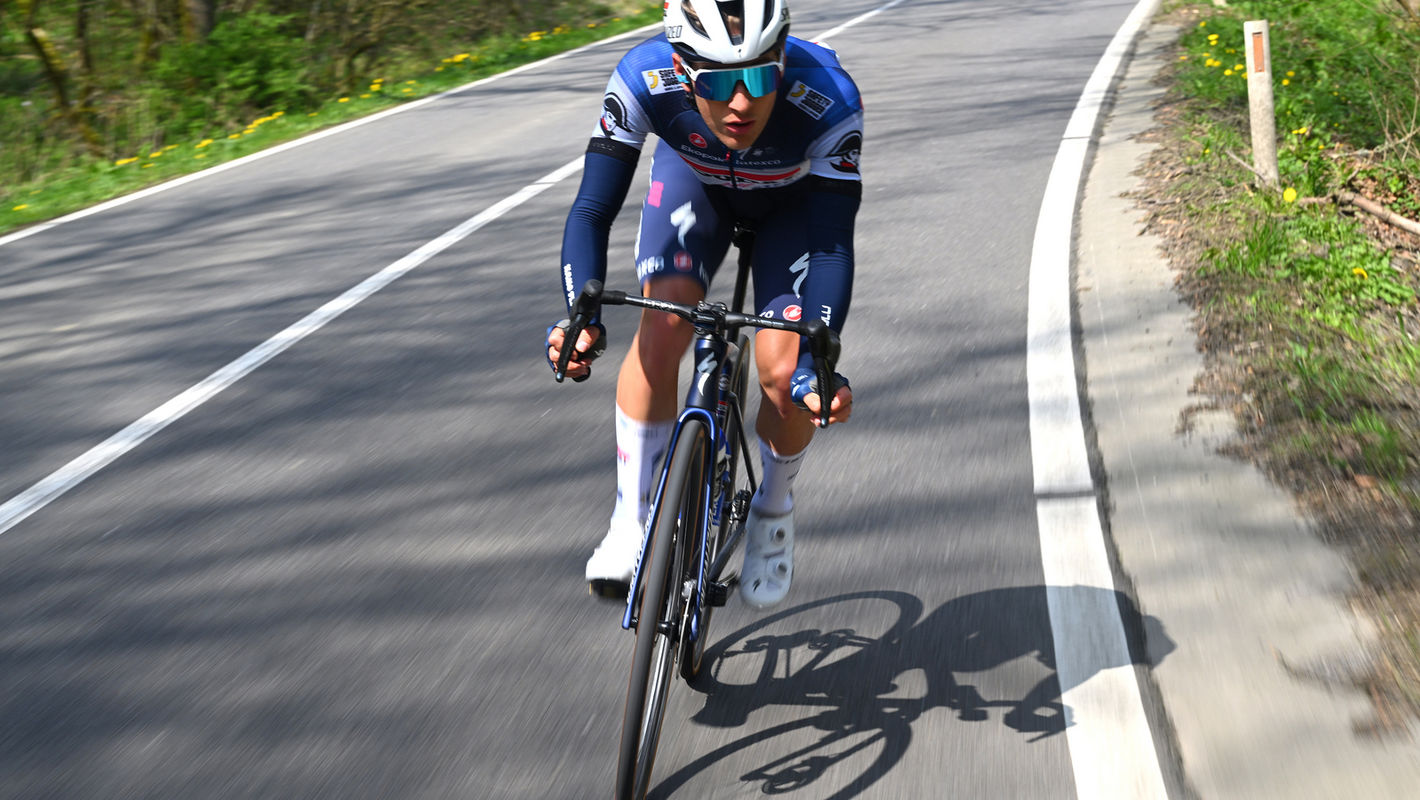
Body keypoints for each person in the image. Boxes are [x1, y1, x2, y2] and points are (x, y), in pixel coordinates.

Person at [546, 0, 861, 609]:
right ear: (681, 67)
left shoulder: (829, 97)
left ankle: (773, 505)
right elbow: (591, 210)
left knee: (781, 375)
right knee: (661, 328)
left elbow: (829, 249)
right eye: (717, 80)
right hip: (696, 185)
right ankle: (631, 521)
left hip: (793, 212)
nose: (740, 102)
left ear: (782, 59)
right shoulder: (642, 76)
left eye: (760, 76)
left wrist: (817, 362)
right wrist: (577, 313)